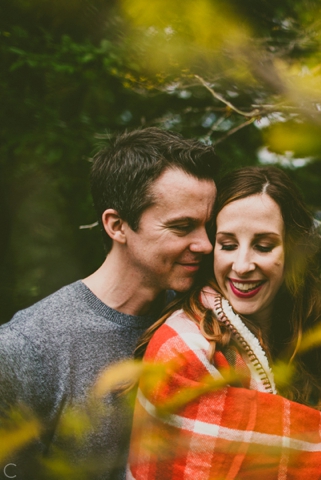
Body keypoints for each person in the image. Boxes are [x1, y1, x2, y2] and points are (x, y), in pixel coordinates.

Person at [127, 166, 321, 479]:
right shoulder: (183, 348)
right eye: (228, 245)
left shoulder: (315, 341)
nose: (243, 265)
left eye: (263, 246)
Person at [0, 128, 219, 479]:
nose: (205, 245)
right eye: (182, 227)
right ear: (117, 225)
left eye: (208, 227)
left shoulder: (202, 323)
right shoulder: (25, 347)